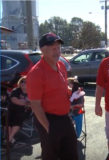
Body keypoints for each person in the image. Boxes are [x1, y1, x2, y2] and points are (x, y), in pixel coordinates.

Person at [26, 32, 78, 160]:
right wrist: (48, 127)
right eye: (53, 48)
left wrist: (69, 90)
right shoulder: (36, 73)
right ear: (43, 50)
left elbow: (60, 86)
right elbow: (35, 105)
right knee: (51, 156)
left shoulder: (60, 65)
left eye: (58, 48)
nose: (57, 52)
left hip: (64, 118)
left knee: (71, 153)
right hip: (48, 120)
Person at [7, 76, 30, 147]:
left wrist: (26, 103)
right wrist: (26, 102)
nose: (23, 83)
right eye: (22, 81)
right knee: (7, 118)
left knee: (19, 116)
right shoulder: (16, 90)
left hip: (23, 112)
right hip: (12, 110)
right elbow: (14, 100)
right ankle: (10, 139)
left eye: (25, 82)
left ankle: (8, 140)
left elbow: (33, 104)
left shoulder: (32, 92)